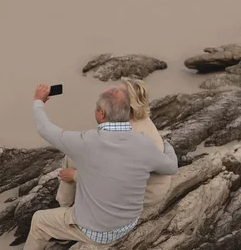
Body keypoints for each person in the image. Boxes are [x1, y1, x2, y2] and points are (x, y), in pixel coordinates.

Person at [6, 84, 178, 250]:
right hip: (128, 222)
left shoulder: (85, 141)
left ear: (101, 113)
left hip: (97, 230)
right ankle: (64, 217)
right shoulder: (143, 143)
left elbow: (45, 128)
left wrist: (38, 101)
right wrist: (167, 145)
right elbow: (170, 166)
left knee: (39, 220)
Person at [57, 78, 171, 209]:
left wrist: (75, 176)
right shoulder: (139, 119)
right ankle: (67, 202)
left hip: (143, 195)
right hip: (154, 187)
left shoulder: (129, 136)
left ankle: (64, 207)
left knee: (73, 157)